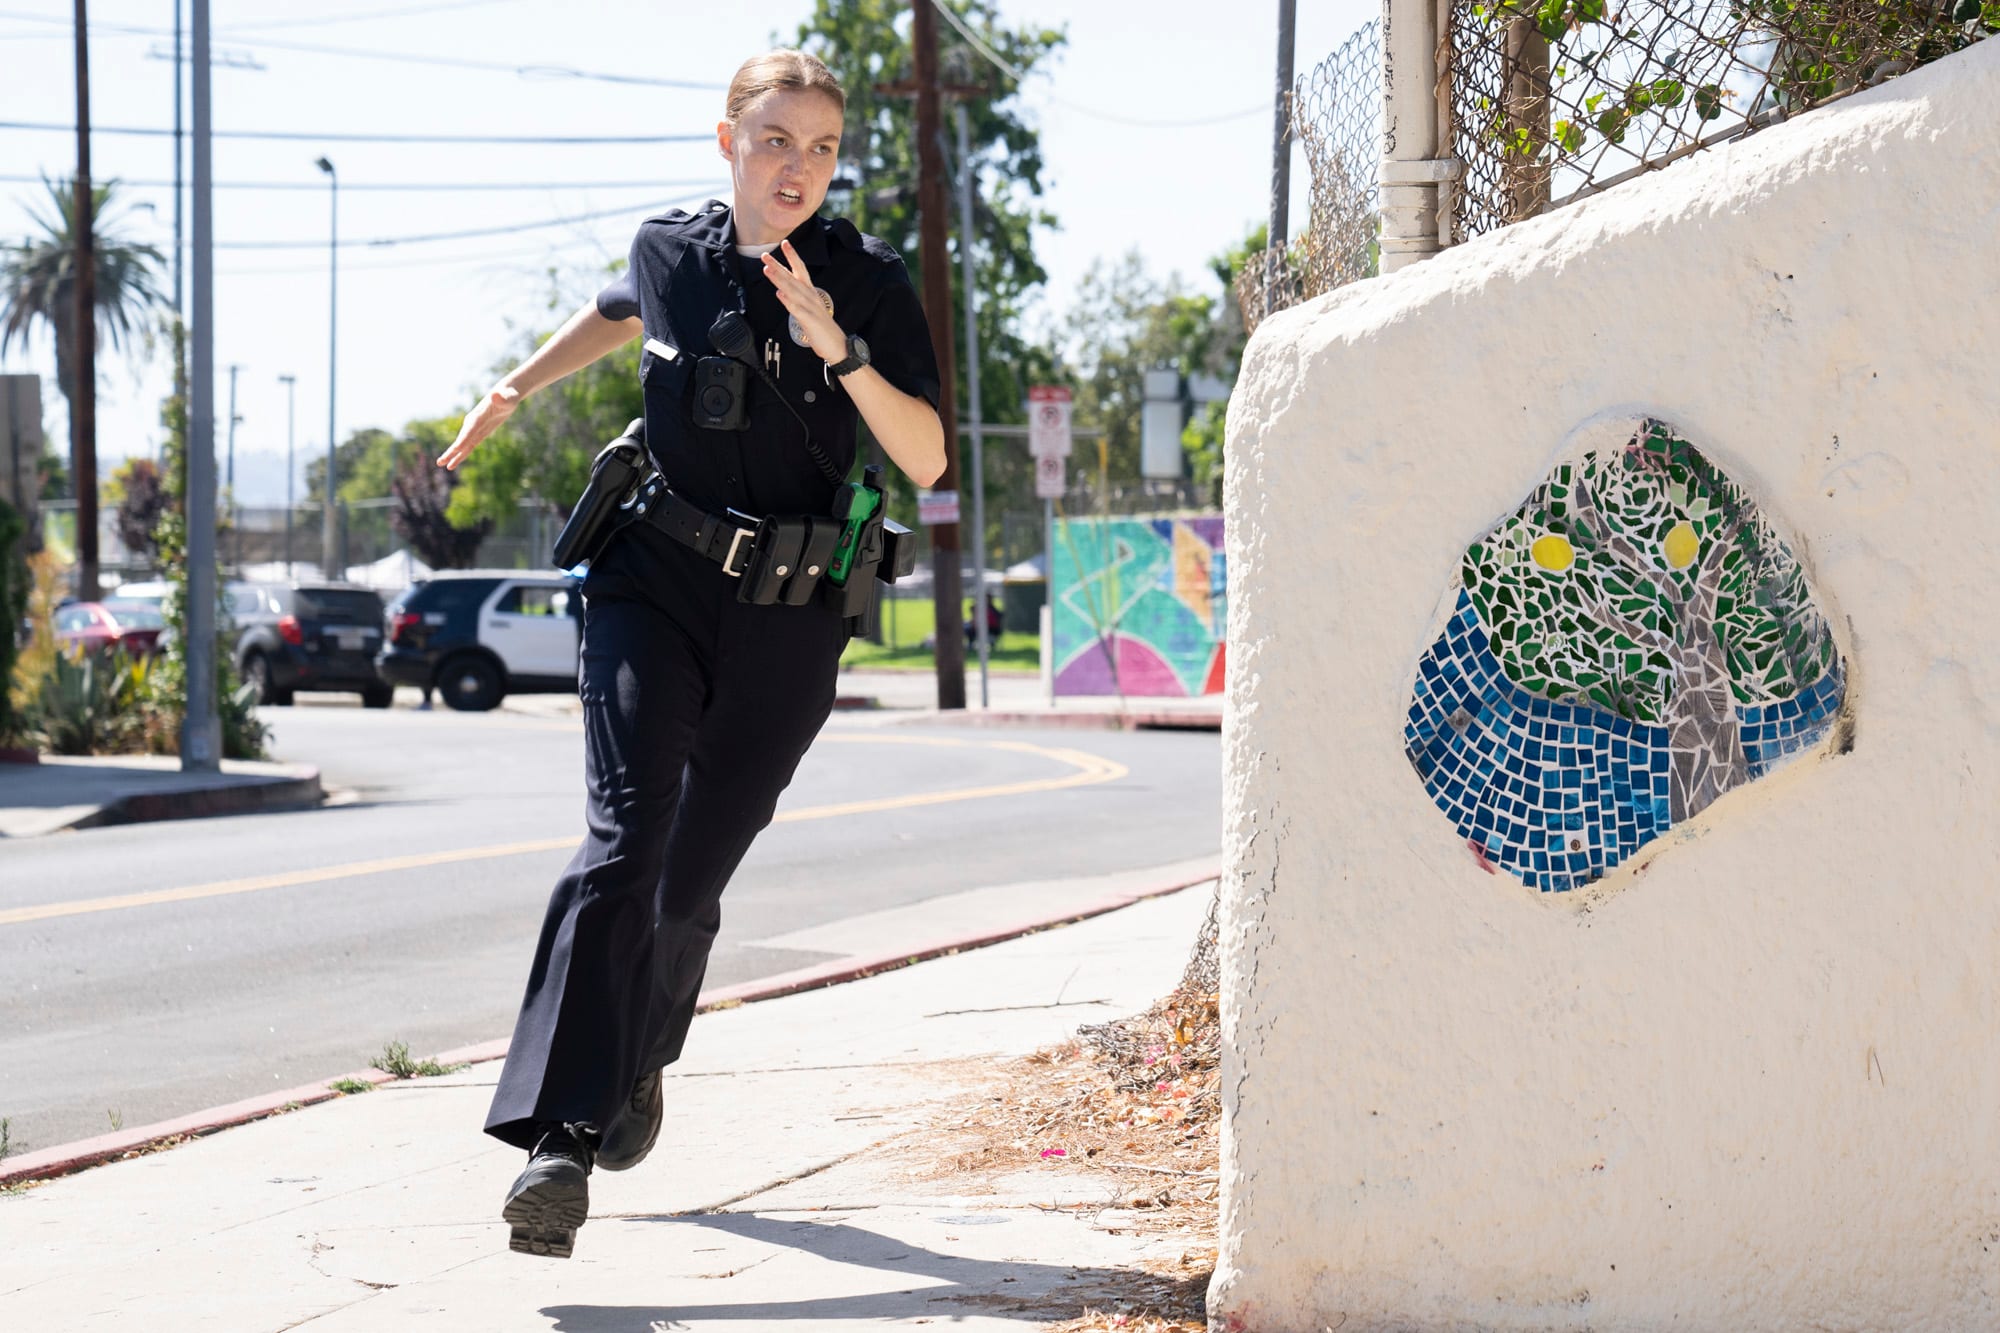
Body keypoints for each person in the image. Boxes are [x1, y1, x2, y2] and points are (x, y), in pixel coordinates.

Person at [436, 49, 945, 1259]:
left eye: (821, 147)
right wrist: (509, 388)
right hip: (649, 582)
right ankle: (561, 1136)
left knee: (687, 882)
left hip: (792, 612)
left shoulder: (864, 279)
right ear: (727, 141)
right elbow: (619, 312)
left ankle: (639, 1056)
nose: (799, 167)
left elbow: (923, 460)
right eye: (776, 140)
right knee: (625, 838)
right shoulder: (670, 249)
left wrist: (839, 347)